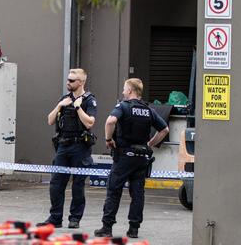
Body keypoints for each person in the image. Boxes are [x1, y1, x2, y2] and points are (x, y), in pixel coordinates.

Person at [94, 78, 169, 239]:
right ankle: (134, 229)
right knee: (138, 193)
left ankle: (107, 227)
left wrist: (108, 139)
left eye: (124, 89)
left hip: (124, 156)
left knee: (114, 191)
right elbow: (164, 130)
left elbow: (110, 121)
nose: (122, 92)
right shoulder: (148, 110)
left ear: (130, 91)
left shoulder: (123, 107)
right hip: (141, 158)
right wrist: (149, 144)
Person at [37, 68, 97, 229]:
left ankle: (75, 218)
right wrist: (59, 106)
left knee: (78, 184)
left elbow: (90, 123)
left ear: (81, 82)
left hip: (80, 146)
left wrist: (78, 108)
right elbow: (50, 120)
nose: (68, 83)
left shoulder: (89, 100)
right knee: (56, 183)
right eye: (68, 80)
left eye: (71, 81)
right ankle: (55, 218)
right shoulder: (64, 99)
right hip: (63, 146)